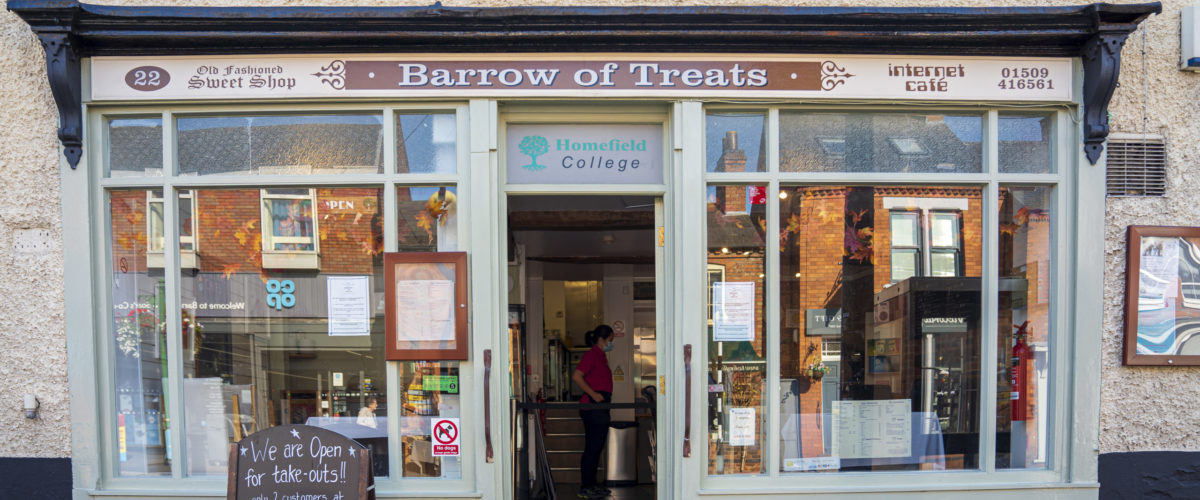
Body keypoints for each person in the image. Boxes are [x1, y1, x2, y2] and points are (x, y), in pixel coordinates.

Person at [572, 325, 615, 499]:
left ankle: (592, 485)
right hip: (593, 407)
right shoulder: (592, 355)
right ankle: (586, 487)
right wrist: (594, 395)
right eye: (610, 340)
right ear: (601, 339)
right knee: (592, 448)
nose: (611, 343)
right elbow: (577, 376)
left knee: (597, 448)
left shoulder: (602, 356)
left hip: (601, 405)